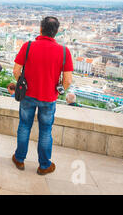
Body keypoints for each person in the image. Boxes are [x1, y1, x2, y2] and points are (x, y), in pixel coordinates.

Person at [12, 16, 73, 175]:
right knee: (46, 131)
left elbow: (16, 71)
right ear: (56, 32)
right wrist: (58, 91)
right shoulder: (64, 51)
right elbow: (67, 80)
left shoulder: (28, 46)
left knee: (24, 126)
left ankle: (19, 159)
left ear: (40, 29)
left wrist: (22, 84)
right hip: (49, 98)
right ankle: (44, 165)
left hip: (28, 95)